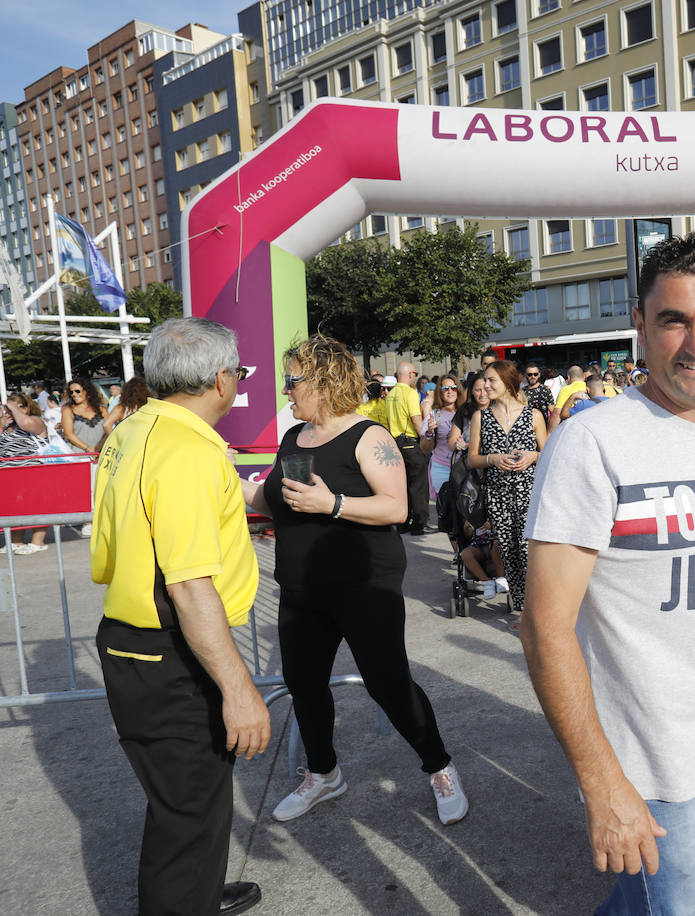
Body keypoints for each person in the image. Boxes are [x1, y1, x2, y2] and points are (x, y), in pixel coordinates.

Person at [521, 233, 695, 914]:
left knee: (673, 890)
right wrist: (602, 781)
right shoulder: (592, 442)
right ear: (640, 325)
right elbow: (544, 628)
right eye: (674, 320)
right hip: (642, 761)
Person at [242, 335, 466, 826]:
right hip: (302, 587)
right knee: (305, 684)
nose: (286, 390)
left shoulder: (369, 436)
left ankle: (440, 766)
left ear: (323, 381)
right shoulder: (293, 438)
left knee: (388, 685)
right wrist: (225, 480)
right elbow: (270, 502)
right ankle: (323, 774)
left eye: (293, 380)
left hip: (365, 584)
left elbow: (397, 506)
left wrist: (334, 504)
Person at [90, 317, 267, 916]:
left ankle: (199, 893)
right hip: (169, 647)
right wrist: (239, 689)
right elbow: (190, 586)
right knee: (187, 809)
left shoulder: (131, 429)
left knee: (190, 799)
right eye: (239, 373)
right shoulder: (187, 449)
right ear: (220, 379)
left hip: (135, 639)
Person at [468, 359, 547, 617]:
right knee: (508, 553)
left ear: (508, 382)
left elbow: (547, 454)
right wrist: (493, 459)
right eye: (484, 380)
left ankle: (539, 611)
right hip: (498, 495)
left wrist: (532, 456)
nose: (485, 385)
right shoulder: (481, 416)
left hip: (529, 494)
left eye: (491, 380)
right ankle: (524, 611)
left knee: (530, 553)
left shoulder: (533, 415)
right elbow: (472, 459)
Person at [0, 392, 52, 555]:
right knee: (16, 509)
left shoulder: (36, 422)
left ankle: (38, 542)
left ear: (28, 408)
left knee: (38, 507)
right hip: (10, 475)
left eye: (20, 406)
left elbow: (25, 423)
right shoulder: (8, 426)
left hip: (33, 473)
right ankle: (16, 541)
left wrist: (14, 407)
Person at [422, 374, 466, 550]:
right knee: (449, 512)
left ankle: (468, 549)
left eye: (453, 388)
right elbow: (424, 449)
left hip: (464, 468)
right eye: (445, 388)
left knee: (466, 510)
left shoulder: (467, 412)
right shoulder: (434, 415)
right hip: (441, 468)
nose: (450, 392)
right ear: (439, 392)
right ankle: (458, 553)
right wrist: (430, 433)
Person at [385, 362, 429, 535]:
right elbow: (415, 419)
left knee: (403, 484)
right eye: (415, 373)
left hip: (395, 442)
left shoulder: (390, 394)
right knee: (418, 484)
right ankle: (419, 523)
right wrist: (425, 438)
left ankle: (403, 522)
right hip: (410, 441)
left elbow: (389, 421)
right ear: (410, 374)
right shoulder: (409, 393)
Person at [61, 376, 105, 453]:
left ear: (87, 391)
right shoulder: (68, 410)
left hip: (102, 453)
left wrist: (98, 448)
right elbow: (69, 434)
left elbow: (108, 430)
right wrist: (88, 449)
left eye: (77, 391)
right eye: (71, 392)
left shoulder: (101, 409)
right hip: (79, 455)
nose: (74, 394)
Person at [100, 376, 150, 440]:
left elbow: (106, 425)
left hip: (127, 441)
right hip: (145, 439)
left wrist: (116, 441)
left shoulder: (121, 408)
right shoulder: (148, 405)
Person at [523, 362, 559, 432]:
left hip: (542, 428)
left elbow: (552, 411)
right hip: (526, 429)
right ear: (526, 375)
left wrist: (550, 430)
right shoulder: (522, 392)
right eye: (530, 374)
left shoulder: (545, 390)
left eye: (535, 374)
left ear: (539, 375)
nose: (533, 376)